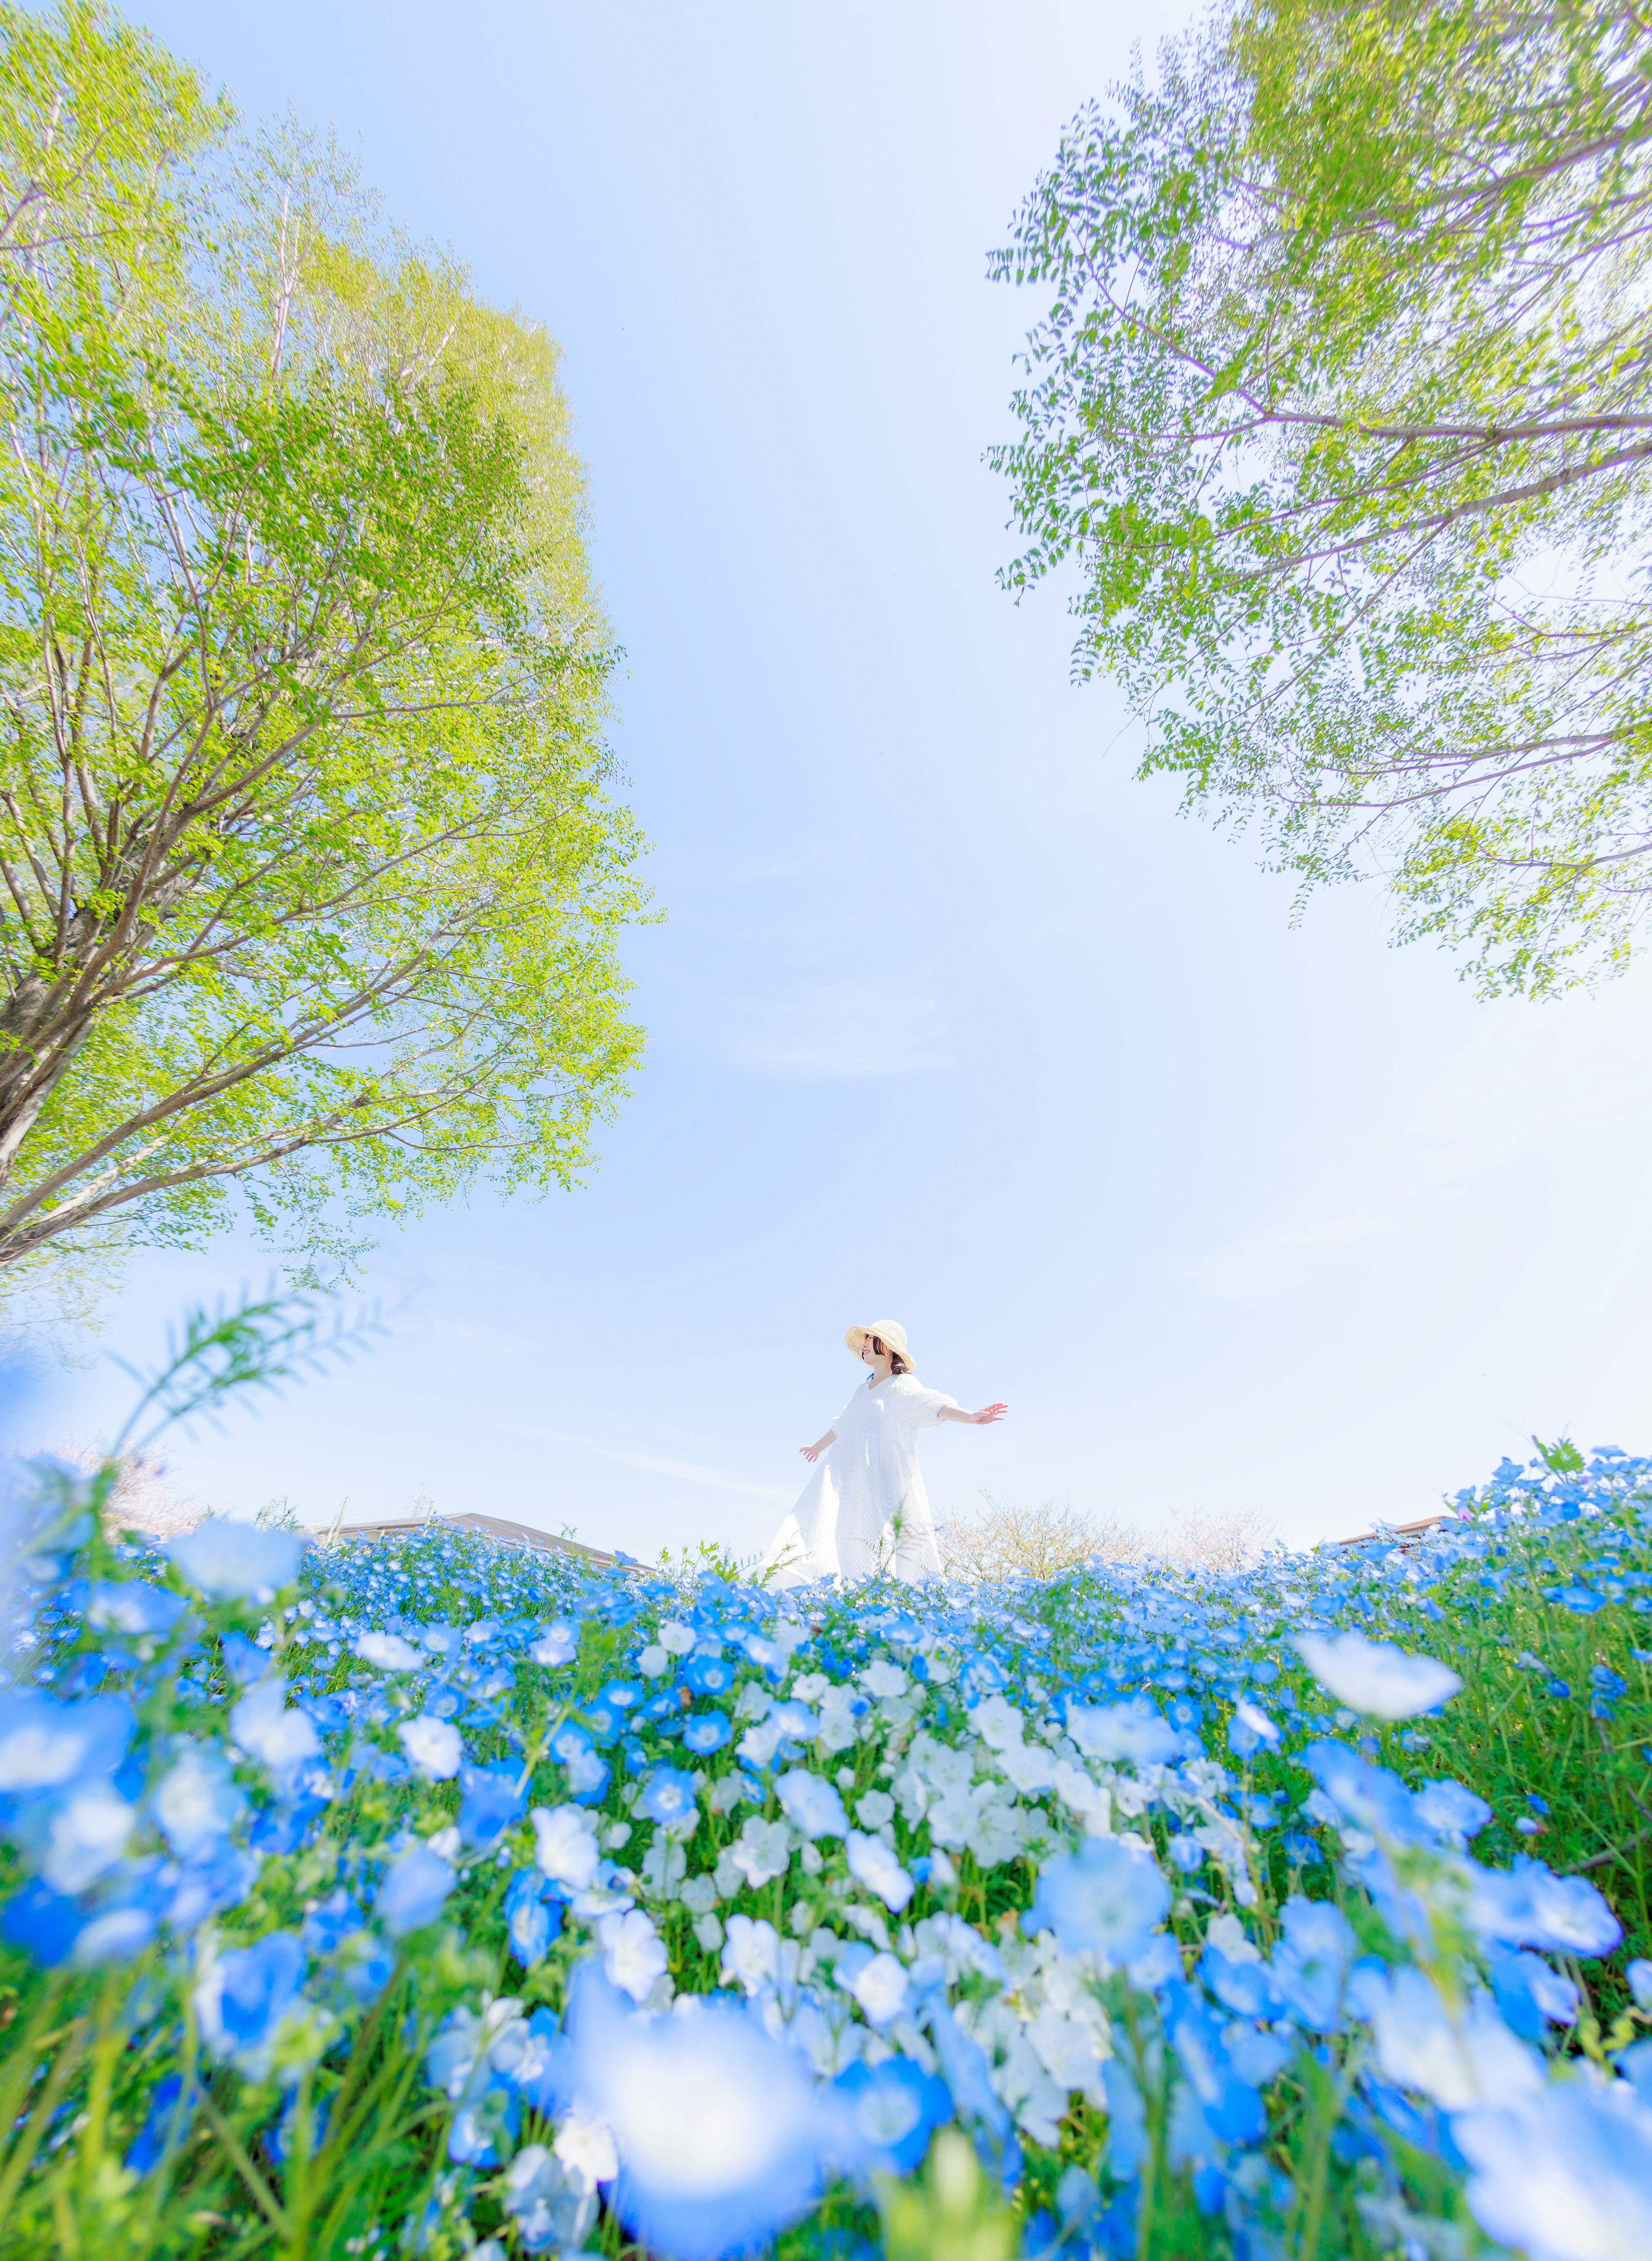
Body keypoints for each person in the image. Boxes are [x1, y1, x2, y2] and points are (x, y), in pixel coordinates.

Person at [764, 1320, 1007, 1585]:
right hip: (846, 1473)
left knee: (874, 1534)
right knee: (833, 1528)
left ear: (889, 1349)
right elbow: (843, 1425)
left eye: (871, 1340)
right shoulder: (861, 1391)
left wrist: (970, 1416)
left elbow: (928, 1405)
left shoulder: (901, 1385)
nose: (865, 1345)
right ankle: (836, 1595)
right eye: (865, 1340)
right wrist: (817, 1448)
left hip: (878, 1477)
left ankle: (877, 1596)